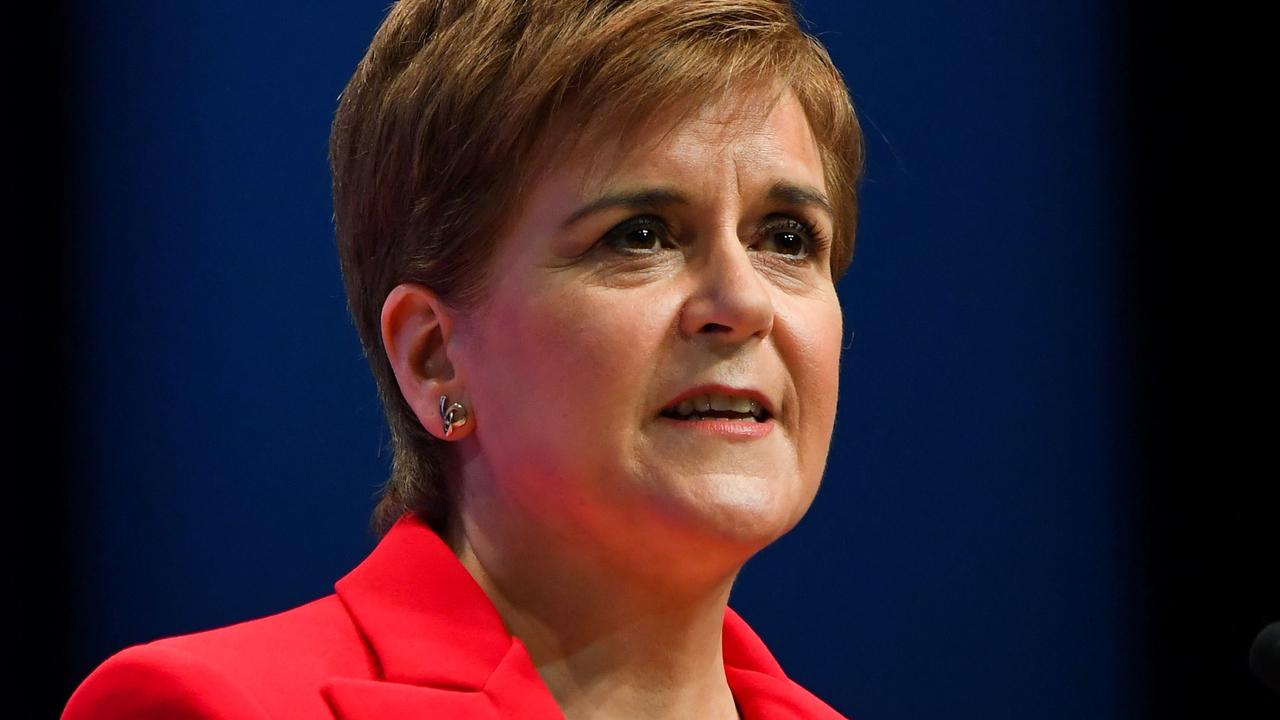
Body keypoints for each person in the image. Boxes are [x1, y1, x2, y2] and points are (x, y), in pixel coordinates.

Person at [63, 0, 864, 717]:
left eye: (787, 240)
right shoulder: (206, 708)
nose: (745, 303)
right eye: (641, 234)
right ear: (434, 356)